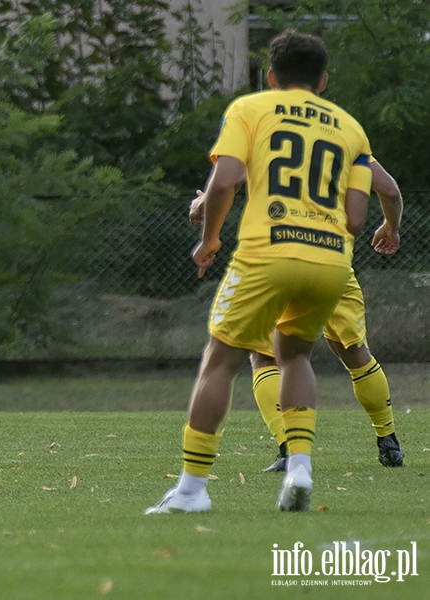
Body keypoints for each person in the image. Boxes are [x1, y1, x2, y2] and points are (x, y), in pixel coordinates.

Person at [145, 29, 373, 514]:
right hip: (331, 259)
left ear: (270, 76)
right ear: (323, 80)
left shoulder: (252, 108)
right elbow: (356, 218)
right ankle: (299, 467)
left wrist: (208, 239)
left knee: (220, 360)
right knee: (295, 356)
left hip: (267, 252)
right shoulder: (350, 128)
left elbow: (225, 179)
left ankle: (191, 491)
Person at [187, 160, 404, 471]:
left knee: (265, 357)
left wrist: (202, 203)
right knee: (355, 352)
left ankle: (288, 449)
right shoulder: (344, 133)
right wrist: (391, 228)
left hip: (278, 258)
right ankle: (389, 442)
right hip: (331, 259)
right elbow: (390, 190)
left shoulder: (267, 128)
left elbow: (227, 181)